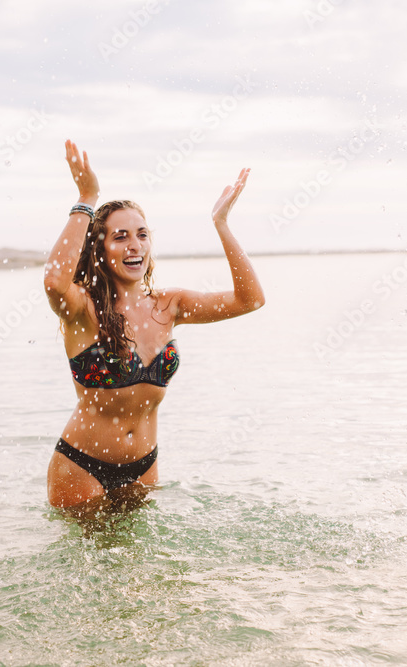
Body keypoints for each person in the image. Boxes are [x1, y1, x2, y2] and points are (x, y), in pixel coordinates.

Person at [43, 139, 265, 516]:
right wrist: (86, 197)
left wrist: (221, 224)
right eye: (120, 236)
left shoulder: (170, 304)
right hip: (82, 465)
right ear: (99, 248)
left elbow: (250, 300)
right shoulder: (82, 309)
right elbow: (54, 282)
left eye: (142, 235)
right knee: (87, 575)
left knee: (146, 572)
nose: (135, 246)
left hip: (144, 468)